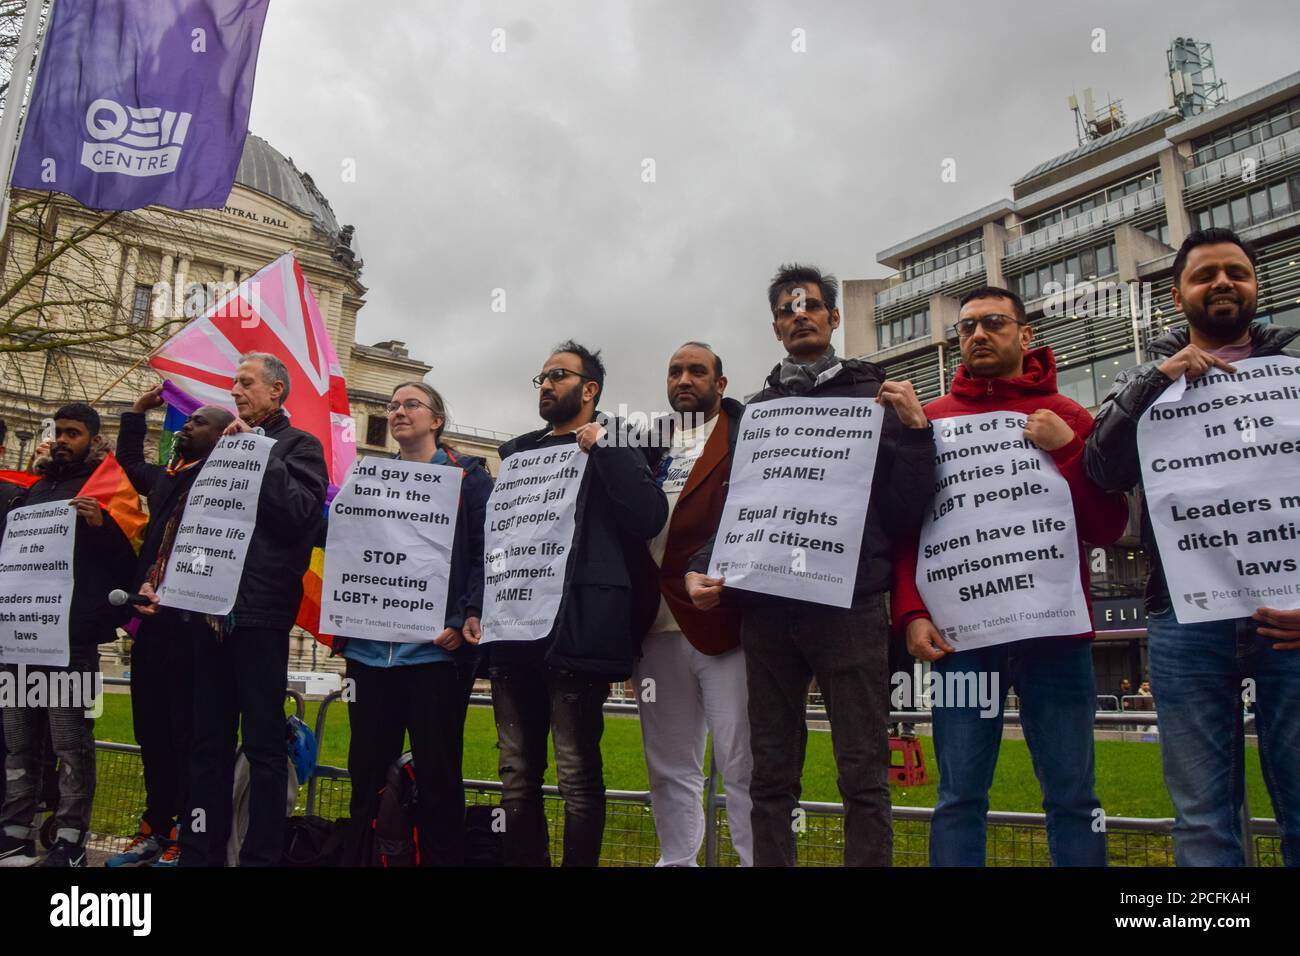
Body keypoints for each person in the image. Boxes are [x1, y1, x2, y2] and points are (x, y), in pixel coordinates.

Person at [687, 264, 935, 866]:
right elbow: (737, 509)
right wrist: (705, 565)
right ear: (776, 327)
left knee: (863, 772)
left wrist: (918, 433)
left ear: (833, 317)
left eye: (811, 306)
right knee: (770, 774)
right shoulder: (757, 414)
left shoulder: (877, 396)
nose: (800, 315)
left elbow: (907, 510)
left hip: (850, 607)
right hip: (769, 612)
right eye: (788, 309)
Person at [891, 285, 1129, 867]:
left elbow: (1109, 524)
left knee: (1073, 796)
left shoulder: (1070, 416)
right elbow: (907, 529)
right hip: (961, 642)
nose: (977, 335)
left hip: (1056, 639)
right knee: (959, 796)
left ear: (1024, 336)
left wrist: (1070, 449)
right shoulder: (931, 423)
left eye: (993, 323)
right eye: (966, 327)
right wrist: (910, 611)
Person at [1085, 227, 1300, 866]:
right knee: (1203, 822)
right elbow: (1101, 470)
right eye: (1205, 275)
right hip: (1183, 619)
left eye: (1236, 271)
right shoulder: (1150, 382)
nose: (1223, 283)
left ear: (1257, 286)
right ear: (1179, 295)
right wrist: (1154, 380)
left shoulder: (1294, 375)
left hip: (1289, 622)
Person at [486, 341, 667, 866]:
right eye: (541, 377)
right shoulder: (519, 454)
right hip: (513, 631)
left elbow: (648, 517)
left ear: (590, 391)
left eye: (559, 376)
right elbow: (497, 541)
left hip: (577, 629)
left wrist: (604, 449)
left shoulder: (618, 443)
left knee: (576, 774)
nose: (545, 384)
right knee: (517, 774)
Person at [177, 352, 329, 867]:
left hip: (260, 615)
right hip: (208, 612)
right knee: (207, 742)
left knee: (264, 746)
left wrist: (258, 454)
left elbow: (302, 516)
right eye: (233, 382)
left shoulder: (299, 447)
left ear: (276, 393)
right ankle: (200, 852)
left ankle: (262, 857)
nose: (235, 390)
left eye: (246, 383)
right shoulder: (219, 448)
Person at [336, 381, 492, 865]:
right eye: (392, 405)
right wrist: (343, 618)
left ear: (436, 419)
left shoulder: (469, 479)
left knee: (440, 777)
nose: (398, 412)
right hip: (368, 656)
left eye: (410, 404)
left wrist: (465, 613)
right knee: (364, 773)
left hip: (435, 656)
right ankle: (367, 857)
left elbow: (486, 555)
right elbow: (350, 551)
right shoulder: (368, 478)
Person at [0, 404, 137, 867]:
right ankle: (15, 830)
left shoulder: (109, 492)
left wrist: (100, 527)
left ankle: (71, 837)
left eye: (73, 432)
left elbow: (130, 560)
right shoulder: (34, 490)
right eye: (57, 431)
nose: (62, 439)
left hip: (70, 642)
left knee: (70, 742)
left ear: (94, 438)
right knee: (18, 739)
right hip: (19, 639)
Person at [106, 386, 234, 867]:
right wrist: (137, 412)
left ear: (223, 436)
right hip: (151, 623)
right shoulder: (169, 480)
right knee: (152, 731)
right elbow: (130, 466)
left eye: (198, 422)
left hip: (194, 626)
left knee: (188, 733)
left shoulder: (225, 485)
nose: (186, 427)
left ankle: (189, 829)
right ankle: (154, 826)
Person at [635, 342, 752, 866]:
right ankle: (676, 860)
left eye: (697, 371)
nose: (684, 379)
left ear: (720, 384)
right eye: (675, 370)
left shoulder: (748, 434)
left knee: (741, 762)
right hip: (654, 624)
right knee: (669, 763)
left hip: (722, 622)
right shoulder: (644, 445)